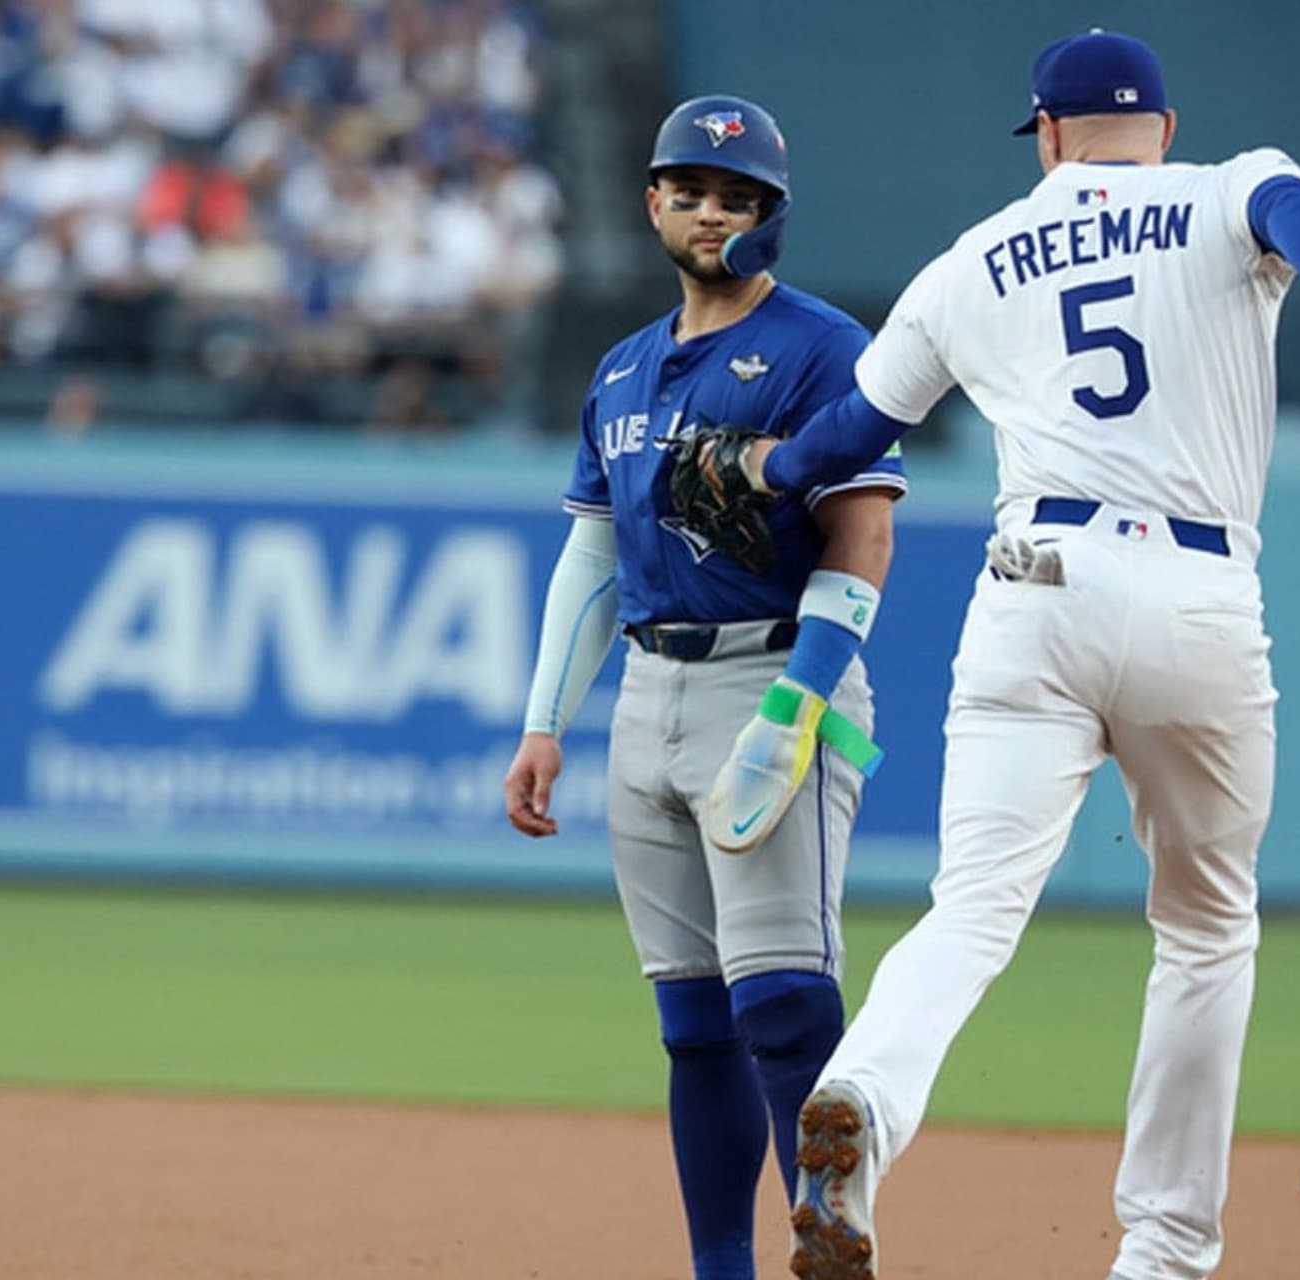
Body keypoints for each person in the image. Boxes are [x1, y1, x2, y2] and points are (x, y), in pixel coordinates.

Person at [680, 29, 1300, 1279]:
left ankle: (860, 1101)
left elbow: (856, 423)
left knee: (972, 906)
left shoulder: (975, 260)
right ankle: (1164, 1253)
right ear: (1161, 132)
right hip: (1196, 595)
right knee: (1207, 926)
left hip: (1034, 589)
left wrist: (769, 466)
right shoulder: (1226, 188)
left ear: (1050, 136)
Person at [499, 95, 905, 1280]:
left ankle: (831, 1245)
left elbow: (863, 540)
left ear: (774, 215)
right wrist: (543, 723)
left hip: (774, 670)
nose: (714, 211)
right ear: (654, 204)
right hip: (648, 691)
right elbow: (590, 553)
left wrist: (799, 708)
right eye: (694, 190)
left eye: (741, 197)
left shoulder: (829, 349)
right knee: (692, 1022)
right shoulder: (622, 369)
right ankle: (720, 1267)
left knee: (780, 999)